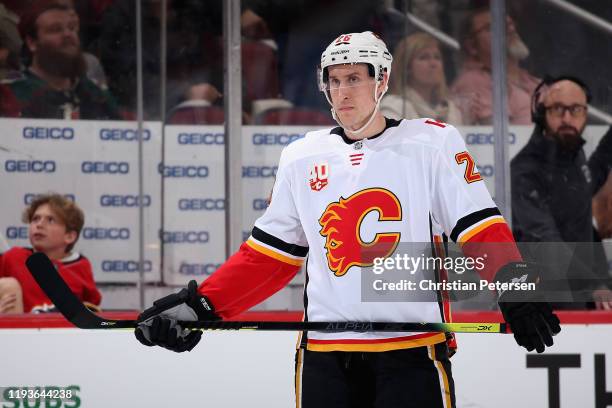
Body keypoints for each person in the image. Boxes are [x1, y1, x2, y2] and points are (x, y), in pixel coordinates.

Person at [134, 32, 560, 407]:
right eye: (334, 81)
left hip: (411, 348)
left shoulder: (432, 142)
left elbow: (478, 226)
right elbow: (269, 256)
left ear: (383, 81)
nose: (342, 92)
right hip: (326, 353)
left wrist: (515, 287)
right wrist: (202, 305)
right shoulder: (302, 155)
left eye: (355, 78)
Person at [511, 76, 612, 310]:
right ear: (541, 113)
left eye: (575, 109)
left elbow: (586, 183)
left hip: (586, 298)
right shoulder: (525, 170)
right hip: (548, 306)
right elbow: (546, 241)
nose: (567, 118)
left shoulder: (573, 155)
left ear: (586, 113)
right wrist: (595, 285)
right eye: (558, 109)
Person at [9, 0, 120, 120]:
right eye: (55, 29)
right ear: (32, 43)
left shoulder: (96, 94)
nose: (68, 34)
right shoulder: (11, 95)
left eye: (72, 28)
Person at [0, 193, 101, 313]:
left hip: (60, 330)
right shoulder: (14, 257)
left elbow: (93, 309)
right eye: (35, 219)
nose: (39, 224)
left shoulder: (81, 266)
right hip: (18, 330)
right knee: (9, 285)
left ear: (69, 236)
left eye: (50, 220)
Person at [450, 7, 539, 125]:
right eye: (495, 27)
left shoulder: (533, 81)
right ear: (471, 46)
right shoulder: (473, 81)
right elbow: (496, 133)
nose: (510, 29)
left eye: (509, 24)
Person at [380, 32, 462, 124]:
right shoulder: (394, 106)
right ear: (407, 67)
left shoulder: (451, 109)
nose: (433, 63)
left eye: (437, 57)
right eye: (424, 58)